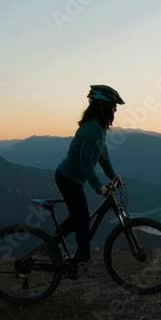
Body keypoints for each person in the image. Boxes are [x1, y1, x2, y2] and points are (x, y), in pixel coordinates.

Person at [55, 85, 124, 276]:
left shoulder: (99, 129)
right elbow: (85, 165)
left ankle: (51, 247)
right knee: (83, 219)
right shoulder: (92, 130)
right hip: (67, 178)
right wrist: (99, 187)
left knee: (78, 218)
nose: (115, 110)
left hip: (73, 178)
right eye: (113, 106)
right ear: (102, 107)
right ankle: (82, 261)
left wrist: (113, 175)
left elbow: (102, 157)